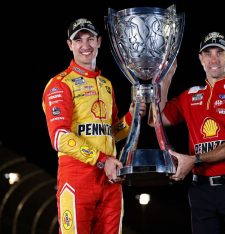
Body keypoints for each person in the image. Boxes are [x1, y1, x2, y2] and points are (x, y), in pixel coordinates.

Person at [42, 18, 146, 233]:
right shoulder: (60, 84)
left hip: (110, 178)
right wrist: (102, 160)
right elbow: (59, 137)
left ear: (99, 42)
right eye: (78, 40)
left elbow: (111, 134)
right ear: (70, 45)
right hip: (78, 176)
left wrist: (131, 117)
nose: (85, 45)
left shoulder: (106, 84)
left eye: (90, 39)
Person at [153, 32, 225, 234]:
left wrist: (195, 159)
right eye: (208, 53)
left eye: (220, 53)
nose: (213, 59)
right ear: (201, 59)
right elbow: (156, 120)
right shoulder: (191, 94)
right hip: (201, 190)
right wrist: (166, 79)